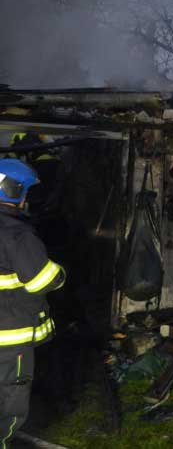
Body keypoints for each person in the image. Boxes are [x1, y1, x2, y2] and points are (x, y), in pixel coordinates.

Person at [0, 159, 66, 449]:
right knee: (8, 407)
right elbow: (44, 280)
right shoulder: (16, 234)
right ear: (15, 191)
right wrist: (61, 273)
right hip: (8, 344)